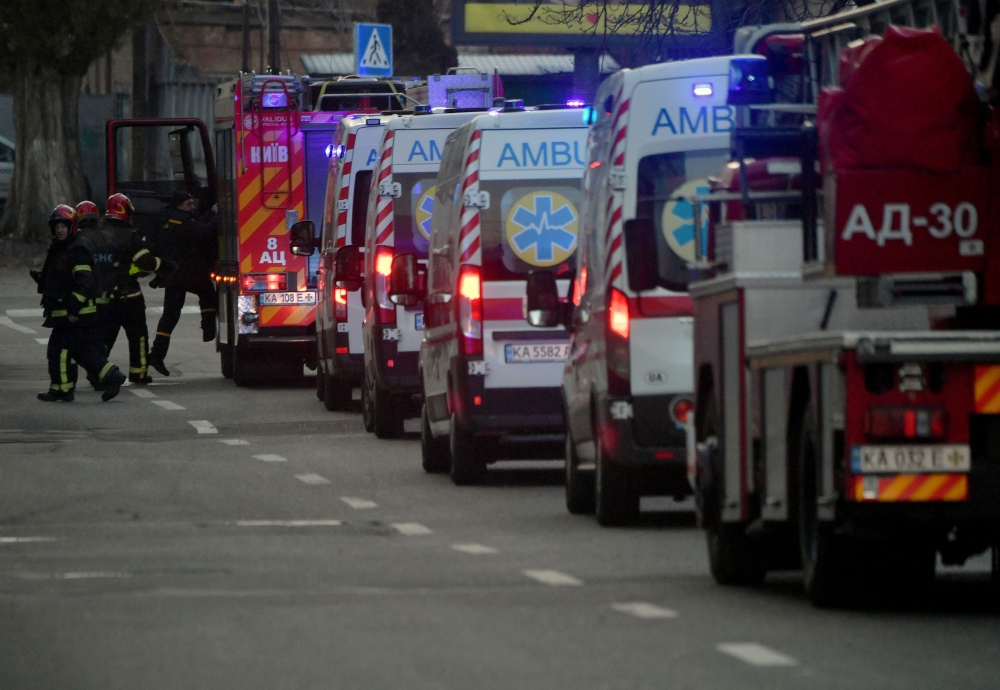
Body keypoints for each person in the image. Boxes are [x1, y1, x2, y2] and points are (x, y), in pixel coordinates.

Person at [30, 205, 127, 402]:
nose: (59, 230)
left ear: (72, 226)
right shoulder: (64, 246)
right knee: (77, 351)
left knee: (63, 350)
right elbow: (62, 276)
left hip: (74, 313)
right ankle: (105, 377)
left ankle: (65, 389)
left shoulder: (77, 248)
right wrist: (44, 280)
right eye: (56, 226)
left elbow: (85, 280)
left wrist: (73, 307)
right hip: (67, 311)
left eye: (63, 226)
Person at [101, 193, 175, 384]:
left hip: (104, 296)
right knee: (138, 336)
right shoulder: (130, 235)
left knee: (105, 337)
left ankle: (97, 372)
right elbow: (145, 261)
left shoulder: (98, 233)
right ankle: (139, 373)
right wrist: (165, 264)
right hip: (129, 296)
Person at [147, 190, 219, 377]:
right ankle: (208, 329)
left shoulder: (171, 217)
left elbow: (197, 224)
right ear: (179, 206)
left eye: (193, 203)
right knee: (207, 293)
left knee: (171, 316)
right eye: (189, 204)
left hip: (176, 274)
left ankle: (157, 355)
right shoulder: (180, 221)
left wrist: (210, 213)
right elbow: (203, 231)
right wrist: (217, 216)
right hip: (185, 274)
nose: (193, 207)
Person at [74, 200, 116, 391]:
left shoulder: (78, 240)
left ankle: (99, 375)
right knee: (100, 340)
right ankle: (100, 375)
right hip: (108, 298)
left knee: (82, 342)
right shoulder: (108, 239)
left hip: (86, 301)